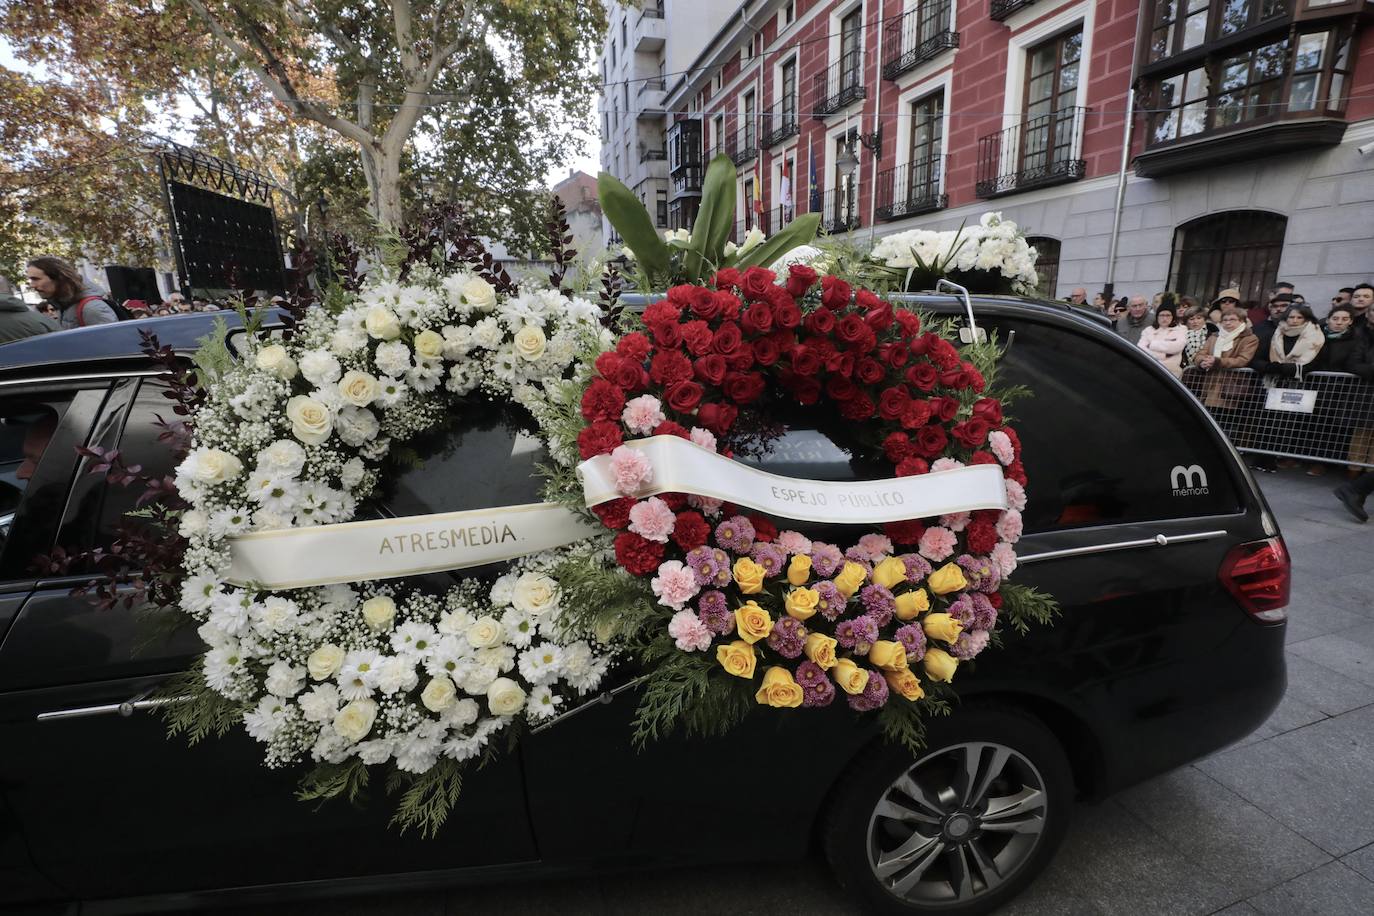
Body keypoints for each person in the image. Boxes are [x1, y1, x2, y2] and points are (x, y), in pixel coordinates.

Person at [1308, 305, 1372, 477]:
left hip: (1341, 390)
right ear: (1328, 319)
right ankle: (1310, 459)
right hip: (1316, 386)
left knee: (1333, 428)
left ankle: (1326, 463)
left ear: (1351, 322)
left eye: (1344, 319)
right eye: (1335, 318)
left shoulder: (1356, 340)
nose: (1339, 322)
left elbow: (1352, 363)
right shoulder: (1317, 336)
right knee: (1314, 425)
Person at [1193, 308, 1260, 425]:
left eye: (1233, 320)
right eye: (1225, 320)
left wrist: (1217, 361)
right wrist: (1202, 362)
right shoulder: (1214, 337)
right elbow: (1201, 353)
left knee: (1227, 424)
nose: (1228, 323)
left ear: (1242, 321)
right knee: (1207, 422)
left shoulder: (1249, 338)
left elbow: (1242, 360)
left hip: (1232, 387)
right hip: (1210, 385)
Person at [25, 257, 118, 328]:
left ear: (59, 278)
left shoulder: (91, 309)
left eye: (36, 279)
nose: (32, 285)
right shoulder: (64, 306)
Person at [1138, 303, 1188, 378]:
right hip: (1150, 370)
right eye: (1162, 315)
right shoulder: (1148, 330)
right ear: (1157, 316)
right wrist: (1163, 355)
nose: (1164, 318)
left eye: (1168, 315)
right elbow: (1141, 349)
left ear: (1173, 316)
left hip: (1171, 374)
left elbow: (1178, 346)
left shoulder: (1181, 329)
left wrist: (1152, 345)